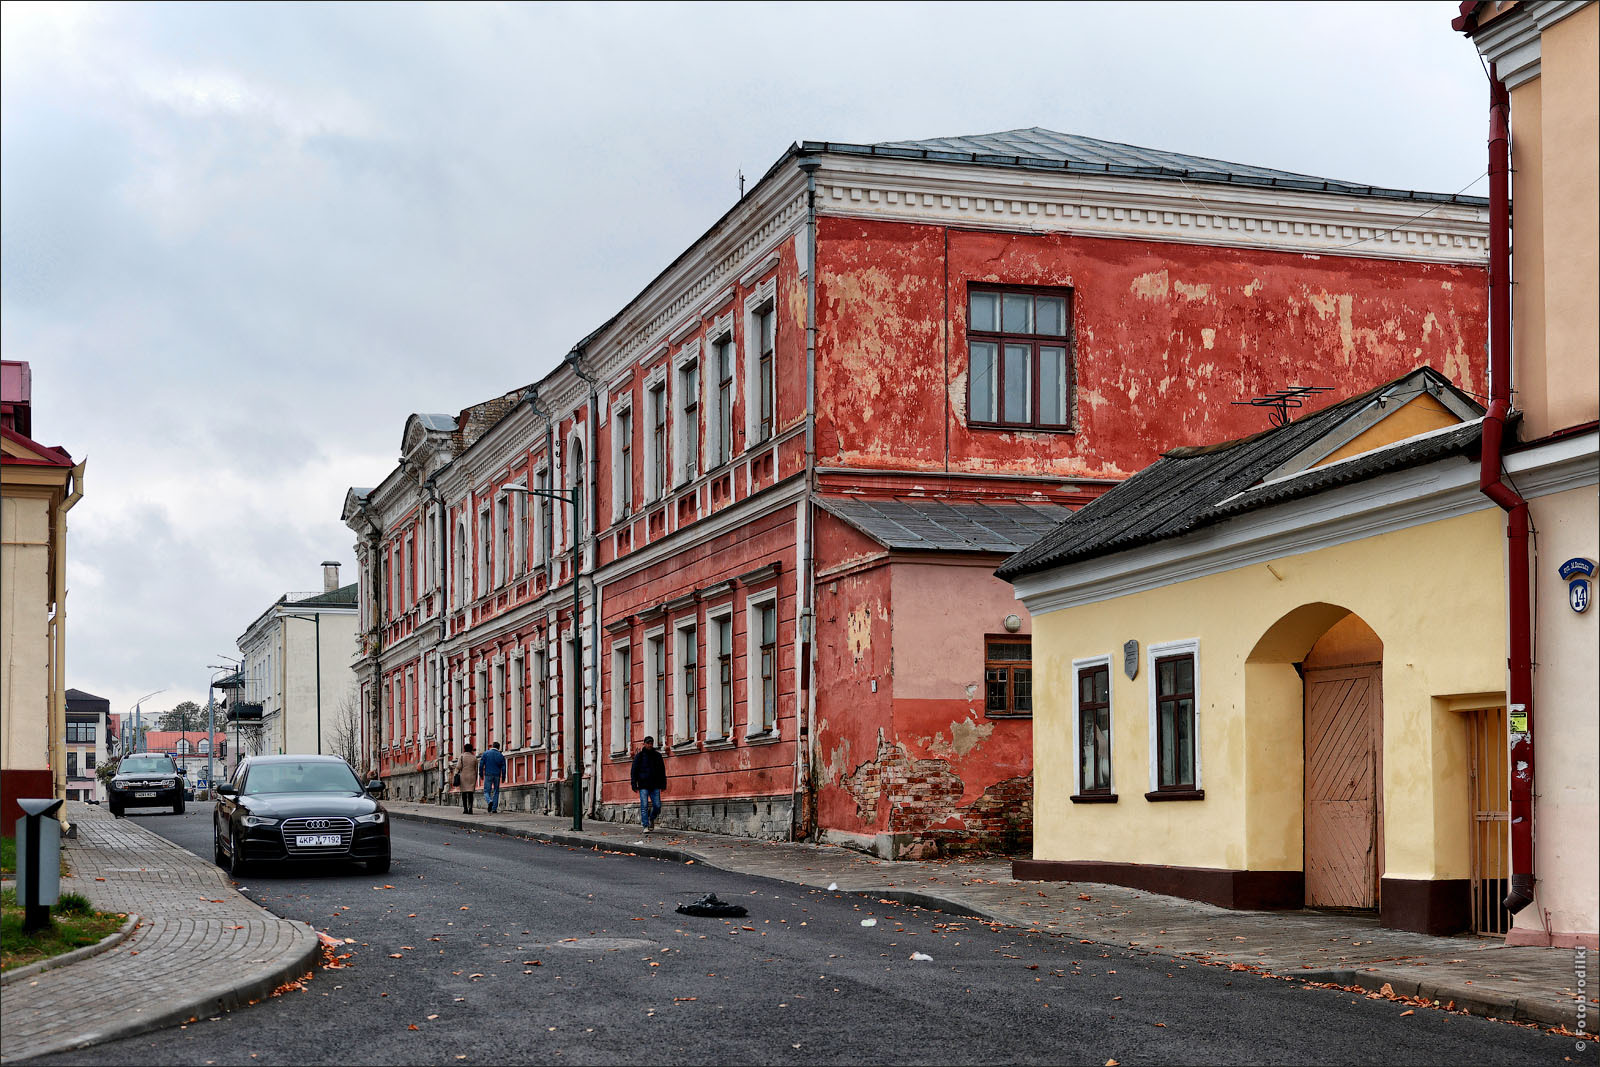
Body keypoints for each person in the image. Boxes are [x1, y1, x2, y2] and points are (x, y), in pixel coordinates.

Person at [630, 736, 666, 833]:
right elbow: (634, 771)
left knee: (657, 806)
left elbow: (662, 771)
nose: (650, 745)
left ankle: (651, 818)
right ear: (644, 744)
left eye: (651, 743)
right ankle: (645, 826)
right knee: (644, 805)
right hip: (643, 785)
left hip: (655, 785)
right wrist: (634, 784)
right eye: (648, 743)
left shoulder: (657, 756)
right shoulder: (639, 756)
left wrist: (663, 784)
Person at [480, 740, 507, 813]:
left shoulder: (486, 753)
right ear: (498, 747)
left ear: (492, 746)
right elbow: (504, 767)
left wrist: (481, 774)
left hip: (488, 774)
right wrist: (503, 777)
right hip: (497, 775)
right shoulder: (501, 755)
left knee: (486, 791)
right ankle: (494, 808)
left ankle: (489, 801)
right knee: (496, 791)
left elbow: (481, 764)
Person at [455, 743, 478, 815]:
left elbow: (458, 767)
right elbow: (476, 769)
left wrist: (456, 774)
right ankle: (470, 808)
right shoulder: (474, 758)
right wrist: (475, 777)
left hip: (463, 777)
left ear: (465, 749)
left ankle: (465, 809)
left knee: (464, 793)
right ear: (471, 749)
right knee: (470, 793)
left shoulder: (461, 756)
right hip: (472, 776)